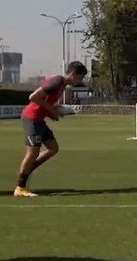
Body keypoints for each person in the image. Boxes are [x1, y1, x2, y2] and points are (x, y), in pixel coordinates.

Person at [14, 61, 88, 197]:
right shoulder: (57, 81)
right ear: (73, 74)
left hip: (39, 120)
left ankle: (28, 169)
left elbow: (45, 101)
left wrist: (50, 113)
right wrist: (52, 109)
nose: (80, 81)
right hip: (31, 118)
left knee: (53, 148)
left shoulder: (62, 85)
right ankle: (20, 187)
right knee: (32, 153)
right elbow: (33, 97)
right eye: (80, 77)